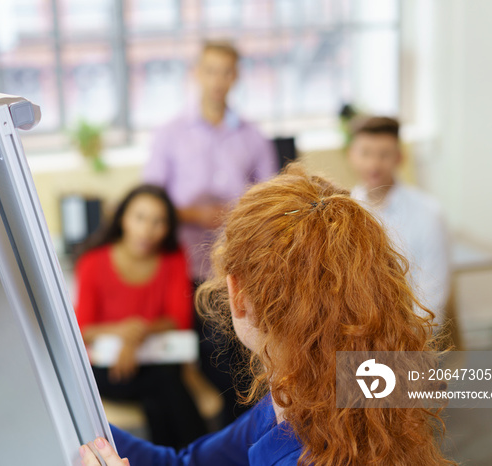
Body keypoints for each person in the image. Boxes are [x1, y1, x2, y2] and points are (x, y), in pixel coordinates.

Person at [79, 164, 455, 465]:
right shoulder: (302, 394)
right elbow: (184, 462)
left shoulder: (295, 443)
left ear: (236, 294)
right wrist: (78, 421)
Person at [143, 40, 278, 425]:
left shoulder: (252, 135)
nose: (218, 80)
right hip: (187, 270)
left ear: (236, 77)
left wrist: (235, 216)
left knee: (245, 367)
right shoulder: (169, 134)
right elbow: (150, 200)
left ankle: (243, 440)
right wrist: (191, 212)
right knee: (217, 369)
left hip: (240, 271)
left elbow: (271, 200)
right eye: (210, 70)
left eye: (226, 71)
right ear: (196, 74)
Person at [74, 184, 207, 449]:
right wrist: (123, 333)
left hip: (153, 357)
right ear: (122, 218)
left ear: (168, 228)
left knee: (159, 391)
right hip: (107, 365)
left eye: (158, 221)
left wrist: (137, 335)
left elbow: (179, 319)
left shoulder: (174, 257)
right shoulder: (92, 262)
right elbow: (81, 328)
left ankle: (178, 457)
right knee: (166, 385)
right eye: (140, 218)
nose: (147, 229)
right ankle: (198, 454)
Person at [347, 116, 451, 324]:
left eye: (384, 155)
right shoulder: (343, 214)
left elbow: (433, 293)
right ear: (352, 156)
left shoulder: (428, 212)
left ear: (399, 158)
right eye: (365, 153)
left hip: (411, 337)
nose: (374, 164)